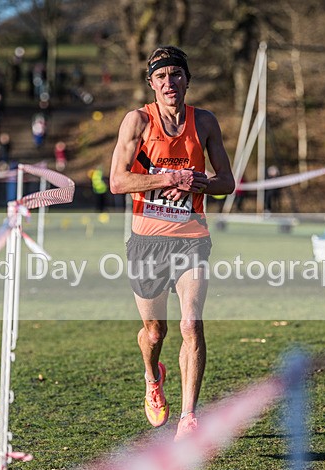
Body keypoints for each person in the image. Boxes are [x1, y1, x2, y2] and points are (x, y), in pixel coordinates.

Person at [109, 45, 235, 441]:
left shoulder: (206, 122)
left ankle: (188, 418)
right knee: (155, 331)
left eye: (176, 75)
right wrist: (168, 179)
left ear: (187, 80)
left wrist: (202, 183)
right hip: (146, 242)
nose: (169, 83)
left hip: (192, 239)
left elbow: (227, 182)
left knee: (191, 325)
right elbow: (118, 182)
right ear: (152, 84)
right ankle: (152, 376)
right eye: (161, 77)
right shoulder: (137, 122)